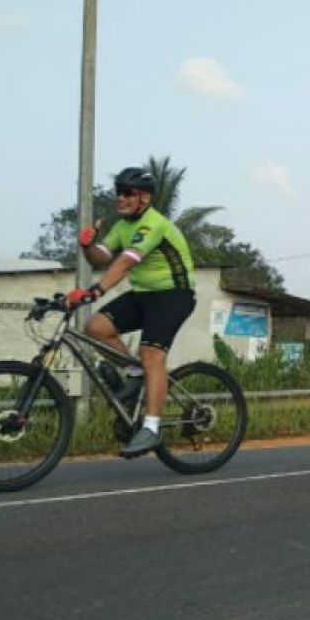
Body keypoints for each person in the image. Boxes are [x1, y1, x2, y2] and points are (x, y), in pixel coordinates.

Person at [68, 166, 198, 457]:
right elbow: (102, 256)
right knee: (96, 328)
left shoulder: (153, 224)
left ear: (145, 199)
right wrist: (88, 246)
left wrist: (95, 292)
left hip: (174, 295)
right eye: (119, 192)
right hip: (143, 294)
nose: (121, 198)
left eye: (129, 193)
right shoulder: (123, 226)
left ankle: (150, 428)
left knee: (152, 354)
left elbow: (125, 262)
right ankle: (133, 371)